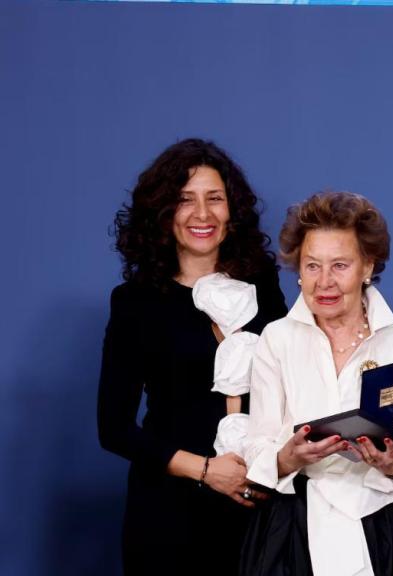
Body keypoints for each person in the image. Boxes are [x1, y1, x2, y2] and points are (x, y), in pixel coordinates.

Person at [97, 138, 288, 575]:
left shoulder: (264, 287)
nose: (202, 214)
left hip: (258, 504)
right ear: (163, 214)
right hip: (170, 513)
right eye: (185, 200)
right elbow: (113, 429)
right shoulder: (135, 302)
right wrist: (207, 471)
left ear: (231, 210)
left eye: (215, 199)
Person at [243, 191, 393, 576]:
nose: (324, 282)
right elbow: (256, 446)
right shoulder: (276, 339)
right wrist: (288, 457)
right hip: (293, 528)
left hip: (383, 527)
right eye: (312, 266)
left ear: (368, 266)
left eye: (340, 265)